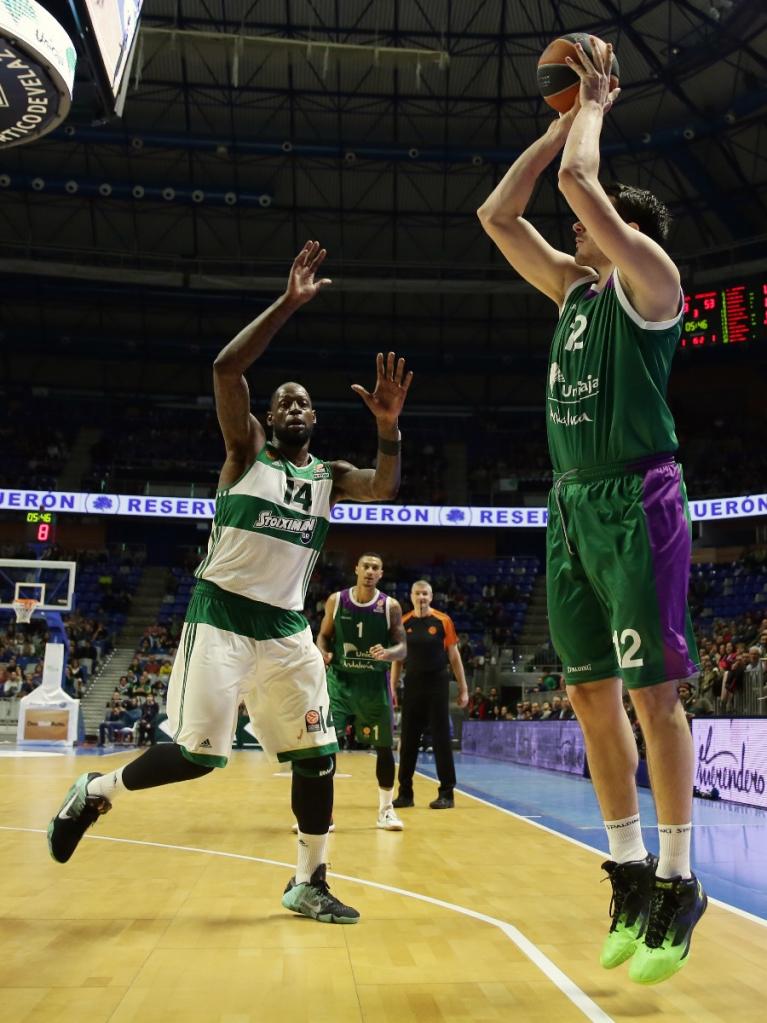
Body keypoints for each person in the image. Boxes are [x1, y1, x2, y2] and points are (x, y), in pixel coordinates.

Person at [47, 240, 413, 926]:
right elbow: (225, 366)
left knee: (317, 754)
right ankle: (95, 789)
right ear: (267, 418)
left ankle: (309, 880)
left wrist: (388, 428)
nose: (295, 406)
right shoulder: (243, 451)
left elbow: (385, 486)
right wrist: (289, 302)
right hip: (219, 616)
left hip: (286, 629)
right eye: (284, 401)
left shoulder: (328, 476)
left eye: (304, 401)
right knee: (197, 755)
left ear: (316, 419)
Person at [478, 37, 704, 985]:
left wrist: (591, 112)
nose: (575, 235)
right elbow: (497, 213)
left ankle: (679, 878)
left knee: (653, 695)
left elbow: (578, 187)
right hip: (570, 507)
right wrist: (561, 125)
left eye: (591, 228)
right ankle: (624, 867)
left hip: (637, 499)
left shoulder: (650, 288)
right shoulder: (571, 292)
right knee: (584, 694)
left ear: (621, 234)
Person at [316, 552, 407, 830]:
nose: (369, 571)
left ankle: (386, 810)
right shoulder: (336, 600)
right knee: (326, 747)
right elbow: (323, 635)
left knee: (383, 749)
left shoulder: (390, 606)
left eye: (375, 568)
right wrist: (323, 652)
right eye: (365, 566)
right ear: (356, 569)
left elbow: (402, 646)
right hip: (340, 683)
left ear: (381, 574)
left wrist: (389, 653)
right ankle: (321, 815)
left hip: (373, 686)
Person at [392, 580, 469, 809]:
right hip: (413, 683)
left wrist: (463, 688)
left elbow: (454, 657)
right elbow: (397, 659)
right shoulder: (403, 622)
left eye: (425, 594)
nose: (422, 597)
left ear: (431, 596)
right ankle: (405, 793)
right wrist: (393, 686)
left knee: (441, 739)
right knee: (408, 740)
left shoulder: (443, 620)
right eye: (418, 593)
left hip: (438, 682)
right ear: (412, 595)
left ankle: (447, 793)